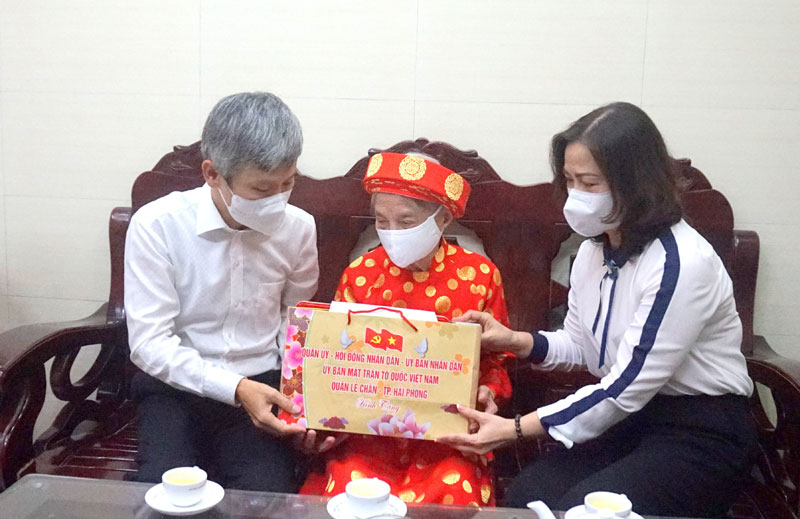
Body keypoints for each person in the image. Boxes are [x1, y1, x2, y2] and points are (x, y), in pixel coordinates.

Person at [438, 102, 757, 518]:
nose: (575, 196)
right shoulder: (594, 251)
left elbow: (625, 386)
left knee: (586, 511)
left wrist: (515, 429)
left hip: (700, 430)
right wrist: (513, 339)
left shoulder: (679, 263)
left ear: (635, 184)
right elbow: (582, 346)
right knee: (528, 495)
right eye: (570, 181)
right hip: (629, 421)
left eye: (589, 183)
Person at [125, 92, 326, 491]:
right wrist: (234, 388)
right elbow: (149, 343)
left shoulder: (299, 228)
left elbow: (296, 324)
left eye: (288, 183)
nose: (278, 201)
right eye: (262, 190)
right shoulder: (158, 226)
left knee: (267, 497)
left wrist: (303, 407)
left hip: (262, 385)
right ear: (212, 173)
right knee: (167, 493)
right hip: (174, 388)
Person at [300, 152, 512, 506]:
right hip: (368, 435)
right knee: (351, 488)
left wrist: (487, 392)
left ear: (443, 218)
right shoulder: (360, 274)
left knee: (454, 488)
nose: (392, 233)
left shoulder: (479, 276)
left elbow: (495, 359)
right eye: (381, 221)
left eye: (406, 221)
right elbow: (333, 358)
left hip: (445, 437)